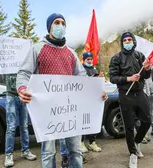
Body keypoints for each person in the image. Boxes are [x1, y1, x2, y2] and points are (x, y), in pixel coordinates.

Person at [16, 13, 108, 168]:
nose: (60, 25)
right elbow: (24, 73)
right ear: (49, 26)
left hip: (70, 111)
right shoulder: (37, 48)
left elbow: (82, 77)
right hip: (47, 111)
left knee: (75, 151)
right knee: (48, 153)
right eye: (56, 22)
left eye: (63, 23)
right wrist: (22, 88)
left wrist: (96, 92)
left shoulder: (71, 53)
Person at [109, 32, 151, 168]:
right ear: (122, 43)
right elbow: (113, 78)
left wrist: (147, 68)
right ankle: (133, 153)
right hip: (125, 94)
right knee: (129, 126)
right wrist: (128, 79)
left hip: (140, 93)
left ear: (133, 41)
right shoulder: (116, 58)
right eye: (125, 40)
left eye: (130, 39)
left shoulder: (140, 56)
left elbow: (146, 75)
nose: (128, 42)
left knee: (147, 121)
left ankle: (137, 142)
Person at [4, 42, 37, 167]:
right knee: (11, 127)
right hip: (11, 96)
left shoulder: (25, 62)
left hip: (23, 96)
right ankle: (8, 155)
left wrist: (27, 44)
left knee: (24, 126)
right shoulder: (6, 61)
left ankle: (25, 151)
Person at [81, 51, 103, 153]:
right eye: (87, 59)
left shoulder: (94, 70)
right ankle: (81, 142)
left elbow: (97, 85)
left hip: (94, 100)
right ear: (83, 60)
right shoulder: (80, 70)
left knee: (92, 121)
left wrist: (100, 79)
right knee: (82, 122)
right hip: (83, 100)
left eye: (91, 59)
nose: (90, 61)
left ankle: (92, 142)